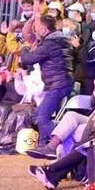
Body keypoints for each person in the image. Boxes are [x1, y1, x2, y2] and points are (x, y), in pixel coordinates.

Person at [19, 14, 74, 143]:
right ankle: (44, 143)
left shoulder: (50, 44)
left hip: (58, 85)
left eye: (37, 28)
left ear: (44, 29)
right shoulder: (62, 40)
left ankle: (50, 144)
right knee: (38, 114)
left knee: (42, 117)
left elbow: (29, 59)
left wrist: (24, 47)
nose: (36, 31)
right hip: (62, 83)